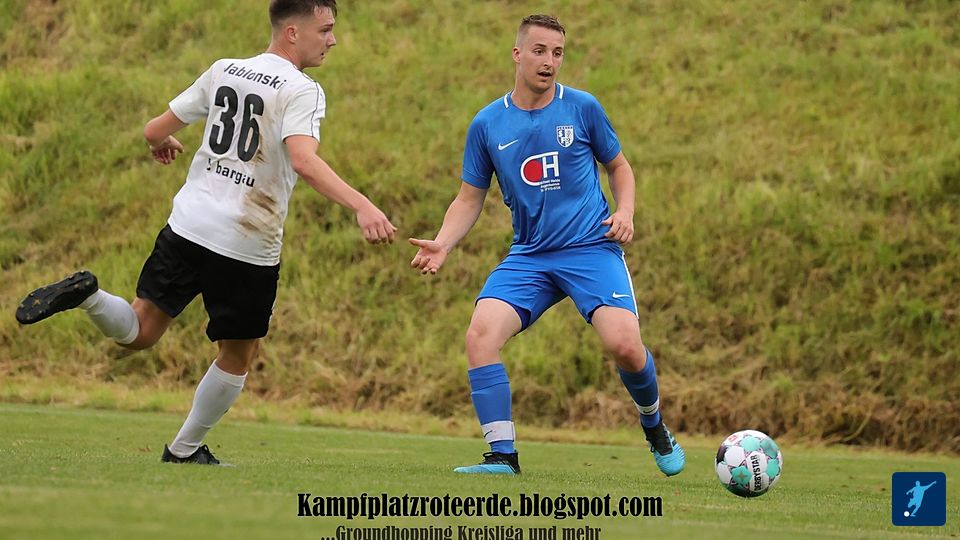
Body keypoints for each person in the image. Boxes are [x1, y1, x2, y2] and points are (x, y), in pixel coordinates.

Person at [15, 0, 396, 465]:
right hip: (247, 241)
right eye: (326, 29)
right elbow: (303, 160)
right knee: (238, 354)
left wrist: (161, 142)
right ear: (293, 33)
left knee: (139, 330)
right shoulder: (303, 89)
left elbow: (153, 130)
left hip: (188, 225)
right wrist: (362, 205)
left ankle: (90, 296)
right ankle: (184, 449)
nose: (333, 40)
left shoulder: (224, 69)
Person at [409, 14, 684, 476]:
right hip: (531, 255)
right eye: (539, 51)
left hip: (590, 248)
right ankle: (502, 457)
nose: (549, 62)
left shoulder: (582, 107)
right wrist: (443, 243)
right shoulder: (487, 124)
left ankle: (654, 425)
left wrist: (626, 211)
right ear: (517, 54)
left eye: (557, 53)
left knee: (624, 346)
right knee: (480, 335)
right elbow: (469, 197)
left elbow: (619, 167)